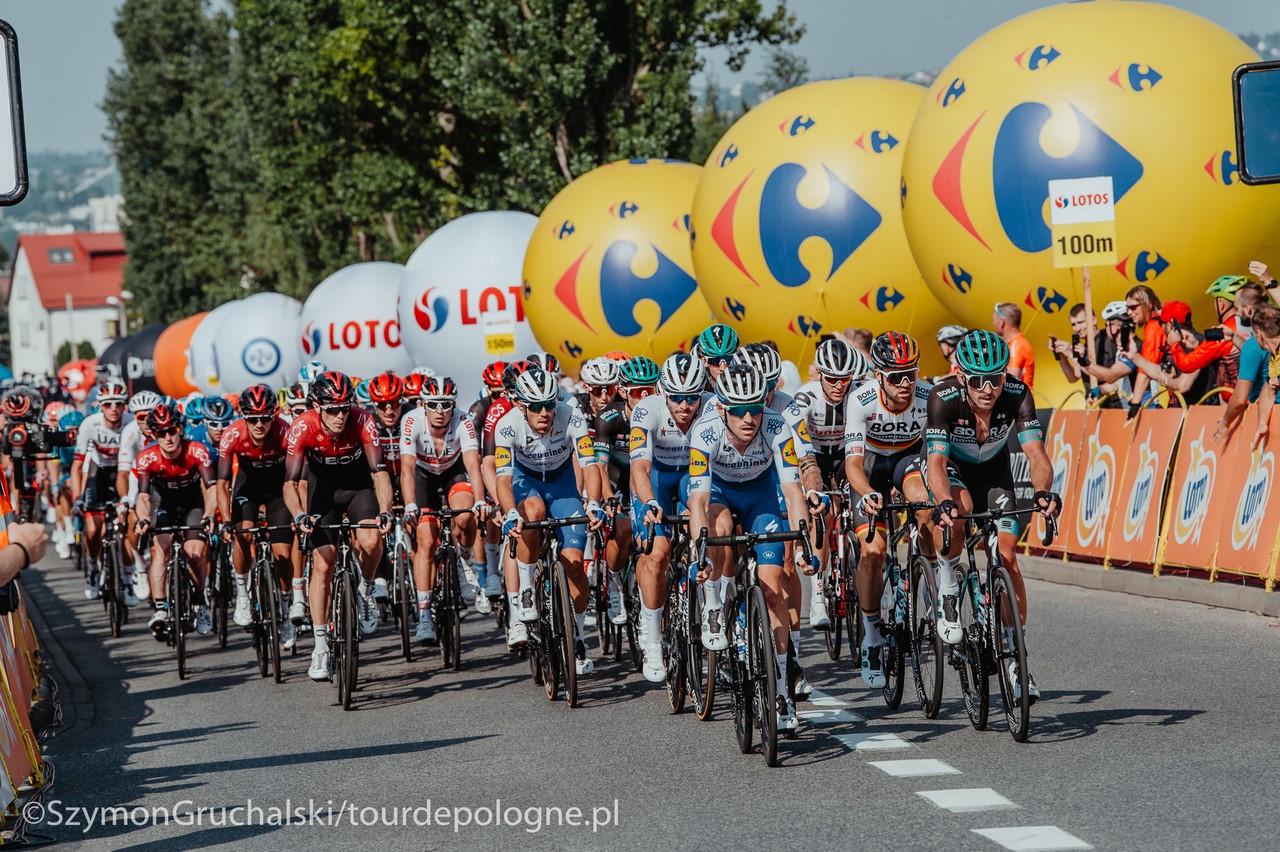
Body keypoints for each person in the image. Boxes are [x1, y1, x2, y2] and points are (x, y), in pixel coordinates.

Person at [925, 330, 1061, 703]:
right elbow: (935, 461)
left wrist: (1043, 492)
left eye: (996, 378)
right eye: (979, 380)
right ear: (962, 375)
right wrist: (942, 502)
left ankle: (1016, 659)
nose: (988, 388)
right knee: (960, 510)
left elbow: (1036, 454)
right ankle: (949, 581)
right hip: (953, 472)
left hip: (995, 474)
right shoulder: (943, 396)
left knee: (1006, 557)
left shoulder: (1017, 393)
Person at [688, 364, 820, 734]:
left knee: (773, 591)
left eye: (755, 408)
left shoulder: (777, 426)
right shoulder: (705, 430)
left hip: (761, 496)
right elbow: (697, 500)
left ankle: (780, 691)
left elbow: (793, 493)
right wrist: (700, 550)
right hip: (719, 494)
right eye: (738, 410)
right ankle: (717, 598)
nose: (748, 418)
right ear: (721, 408)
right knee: (721, 527)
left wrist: (803, 545)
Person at [283, 371, 395, 681]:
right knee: (324, 564)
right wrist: (298, 515)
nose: (340, 416)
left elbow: (379, 473)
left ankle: (366, 589)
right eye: (332, 409)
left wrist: (385, 510)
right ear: (317, 406)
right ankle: (320, 646)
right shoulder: (302, 426)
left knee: (373, 542)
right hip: (323, 492)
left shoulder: (362, 421)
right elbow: (291, 483)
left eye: (345, 408)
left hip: (358, 486)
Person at [494, 369, 605, 670]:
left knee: (574, 564)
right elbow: (502, 479)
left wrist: (593, 503)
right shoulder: (507, 426)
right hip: (526, 483)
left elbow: (590, 464)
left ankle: (579, 636)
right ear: (521, 405)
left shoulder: (572, 416)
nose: (544, 413)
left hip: (563, 485)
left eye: (549, 404)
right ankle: (527, 589)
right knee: (531, 513)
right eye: (535, 406)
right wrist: (509, 512)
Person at [843, 332, 933, 688]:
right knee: (874, 551)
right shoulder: (861, 400)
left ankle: (933, 585)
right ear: (878, 376)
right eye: (896, 377)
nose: (905, 383)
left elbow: (936, 456)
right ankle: (871, 636)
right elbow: (852, 466)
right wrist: (865, 493)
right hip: (870, 466)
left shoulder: (927, 395)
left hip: (908, 459)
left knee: (924, 503)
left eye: (910, 373)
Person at [630, 353, 709, 682]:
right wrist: (649, 501)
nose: (685, 405)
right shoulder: (646, 409)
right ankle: (651, 637)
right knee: (658, 552)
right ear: (664, 392)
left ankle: (711, 618)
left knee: (708, 537)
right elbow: (639, 466)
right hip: (657, 478)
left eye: (692, 397)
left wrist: (700, 505)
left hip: (693, 474)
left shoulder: (712, 407)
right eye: (677, 398)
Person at [401, 376, 487, 645]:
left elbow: (473, 464)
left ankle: (464, 558)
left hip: (452, 471)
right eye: (434, 405)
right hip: (423, 476)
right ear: (423, 404)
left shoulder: (463, 420)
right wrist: (410, 504)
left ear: (454, 405)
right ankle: (425, 614)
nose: (440, 411)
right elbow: (407, 469)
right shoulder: (412, 421)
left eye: (446, 405)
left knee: (465, 514)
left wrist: (481, 500)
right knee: (426, 540)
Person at [217, 384, 296, 648]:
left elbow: (297, 479)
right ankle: (242, 592)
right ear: (244, 417)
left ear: (273, 414)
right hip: (247, 488)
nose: (259, 424)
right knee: (242, 535)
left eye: (265, 417)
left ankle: (285, 609)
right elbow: (222, 483)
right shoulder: (232, 434)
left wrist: (299, 511)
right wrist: (226, 519)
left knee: (283, 553)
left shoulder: (285, 431)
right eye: (252, 418)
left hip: (278, 490)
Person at [135, 402, 219, 639]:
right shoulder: (146, 457)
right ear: (154, 434)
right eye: (162, 433)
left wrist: (210, 514)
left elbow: (210, 488)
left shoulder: (197, 450)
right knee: (161, 549)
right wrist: (142, 519)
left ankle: (200, 600)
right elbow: (143, 496)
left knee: (195, 552)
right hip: (163, 503)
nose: (168, 437)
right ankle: (160, 608)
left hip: (193, 502)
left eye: (172, 430)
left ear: (180, 429)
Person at [70, 378, 131, 600]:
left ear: (125, 405)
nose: (114, 409)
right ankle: (93, 566)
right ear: (100, 406)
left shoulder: (131, 422)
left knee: (127, 527)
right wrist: (77, 497)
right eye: (108, 404)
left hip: (124, 472)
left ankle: (126, 579)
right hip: (98, 471)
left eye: (118, 404)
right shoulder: (90, 424)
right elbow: (77, 466)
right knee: (95, 530)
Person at [1125, 302, 1219, 405]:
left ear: (1169, 325)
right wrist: (1134, 356)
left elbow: (1183, 385)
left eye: (1161, 324)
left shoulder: (1196, 344)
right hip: (1190, 413)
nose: (1161, 328)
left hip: (1203, 415)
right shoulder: (1181, 345)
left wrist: (1166, 381)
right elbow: (1160, 372)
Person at [1216, 303, 1280, 443]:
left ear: (1259, 334)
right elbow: (1269, 388)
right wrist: (1262, 422)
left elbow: (1239, 399)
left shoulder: (1254, 346)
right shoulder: (1273, 354)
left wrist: (1226, 421)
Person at [1050, 304, 1117, 406]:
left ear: (1093, 320)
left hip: (1113, 403)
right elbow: (1073, 377)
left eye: (1080, 322)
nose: (1077, 328)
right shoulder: (1084, 345)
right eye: (1073, 324)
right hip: (1093, 404)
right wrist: (1062, 357)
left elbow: (1102, 376)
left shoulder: (1106, 340)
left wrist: (1071, 354)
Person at [1123, 285, 1165, 417]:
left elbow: (1146, 368)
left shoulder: (1154, 325)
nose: (1129, 312)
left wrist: (1135, 403)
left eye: (1133, 307)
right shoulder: (1158, 320)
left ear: (1148, 304)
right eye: (1127, 308)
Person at [993, 302, 1035, 391]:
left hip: (1019, 401)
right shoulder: (1015, 343)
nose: (993, 324)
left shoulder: (1017, 345)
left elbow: (1010, 380)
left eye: (994, 320)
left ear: (1002, 322)